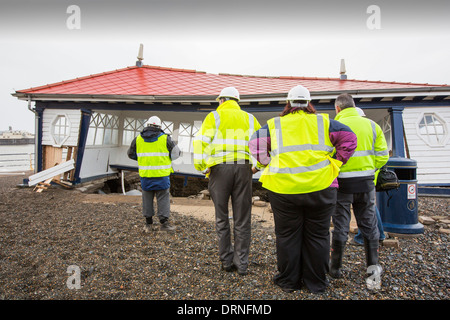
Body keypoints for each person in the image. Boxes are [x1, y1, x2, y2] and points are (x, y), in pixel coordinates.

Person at [249, 85, 357, 293]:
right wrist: (336, 162)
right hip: (321, 187)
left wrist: (265, 162)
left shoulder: (274, 125)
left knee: (288, 235)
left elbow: (255, 143)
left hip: (283, 189)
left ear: (288, 103)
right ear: (309, 103)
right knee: (318, 235)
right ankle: (316, 283)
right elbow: (350, 139)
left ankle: (289, 281)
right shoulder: (325, 122)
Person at [193, 87, 261, 276]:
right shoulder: (249, 118)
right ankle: (242, 264)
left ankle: (226, 261)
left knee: (221, 217)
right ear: (237, 101)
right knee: (242, 218)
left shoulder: (213, 117)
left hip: (219, 169)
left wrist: (201, 166)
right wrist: (258, 166)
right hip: (243, 168)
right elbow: (261, 144)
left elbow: (200, 142)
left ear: (222, 100)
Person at [330, 94, 389, 286]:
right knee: (369, 225)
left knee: (341, 224)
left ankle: (335, 269)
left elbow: (328, 156)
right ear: (354, 107)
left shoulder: (333, 127)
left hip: (342, 184)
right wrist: (370, 170)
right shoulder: (372, 125)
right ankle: (373, 272)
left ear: (338, 109)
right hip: (365, 183)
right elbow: (382, 156)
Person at [127, 116, 181, 232]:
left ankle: (148, 225)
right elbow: (177, 153)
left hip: (146, 175)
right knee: (163, 198)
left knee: (147, 198)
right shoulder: (165, 139)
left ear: (147, 125)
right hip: (161, 175)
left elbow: (130, 154)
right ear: (160, 127)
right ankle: (164, 224)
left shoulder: (137, 139)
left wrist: (144, 159)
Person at [352, 108, 386, 246]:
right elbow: (383, 155)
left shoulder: (348, 128)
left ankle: (362, 237)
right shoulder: (372, 126)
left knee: (363, 209)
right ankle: (380, 234)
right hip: (369, 176)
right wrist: (373, 168)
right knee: (369, 207)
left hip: (351, 176)